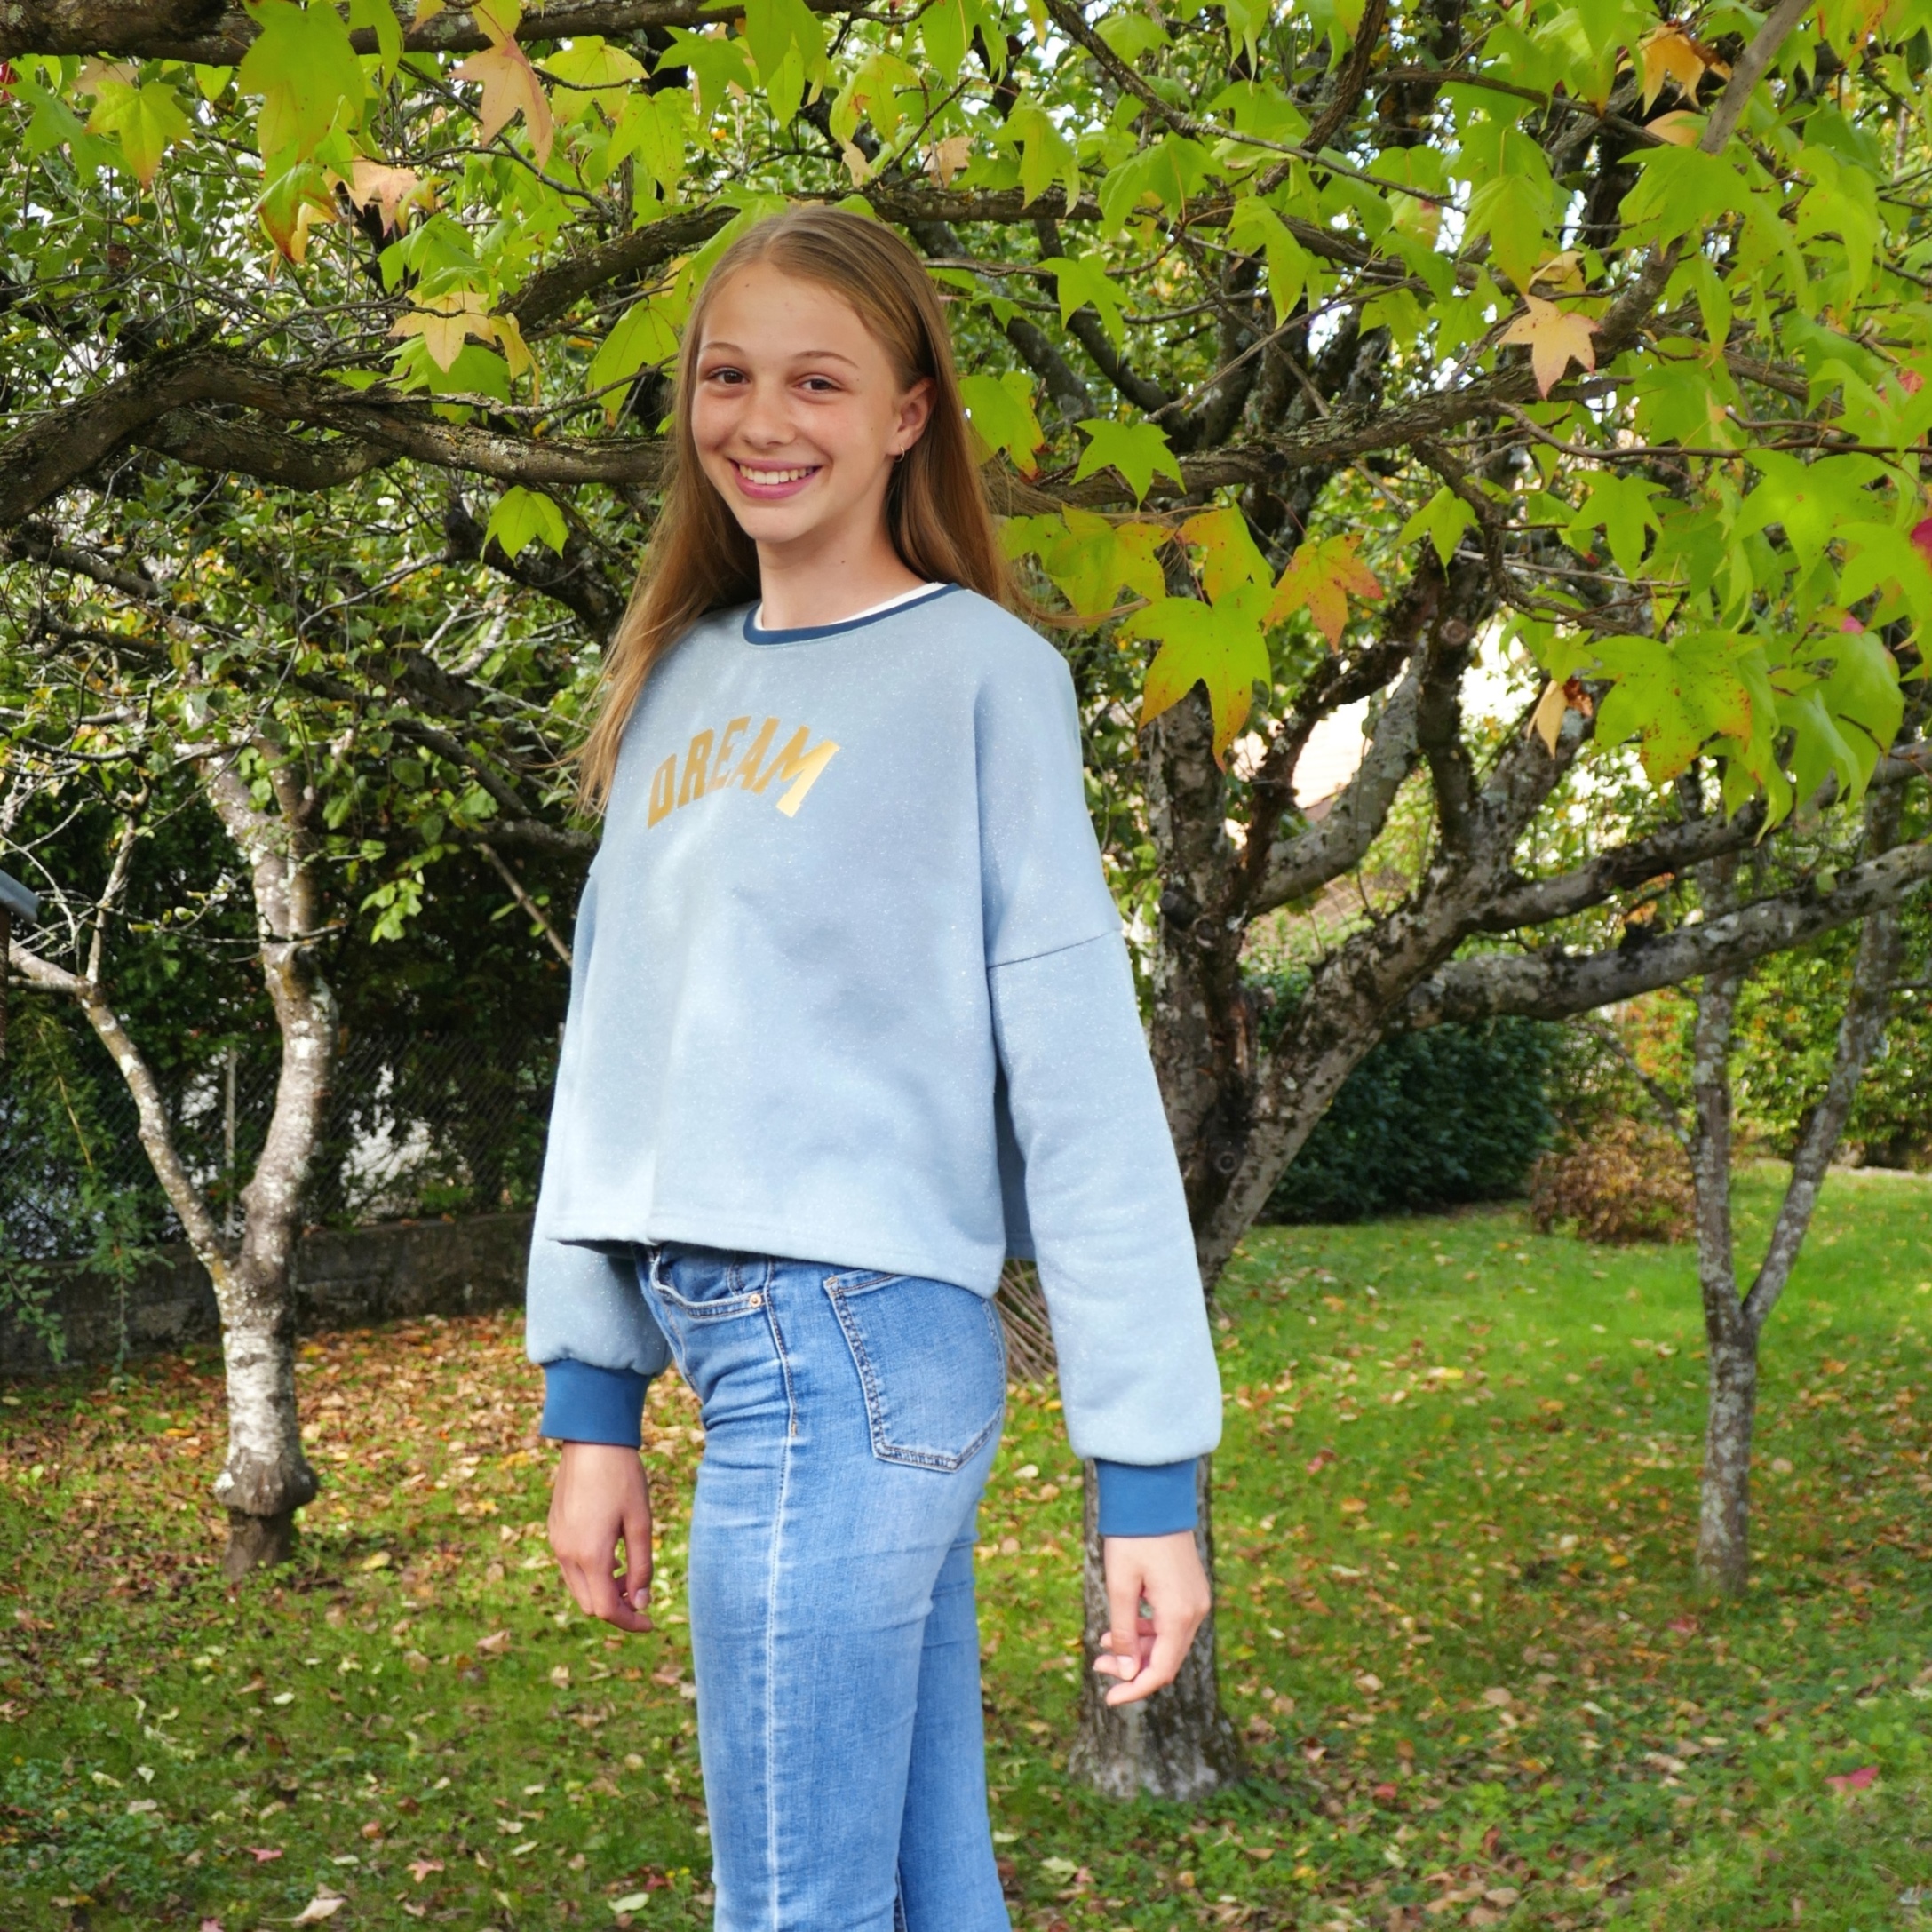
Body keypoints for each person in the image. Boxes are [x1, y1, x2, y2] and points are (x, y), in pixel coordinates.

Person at [526, 205, 1222, 1932]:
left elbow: (1079, 1078)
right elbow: (608, 1057)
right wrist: (591, 1400)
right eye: (727, 376)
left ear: (909, 414)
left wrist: (1147, 1480)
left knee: (795, 1907)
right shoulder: (672, 679)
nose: (763, 420)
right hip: (745, 1351)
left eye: (818, 381)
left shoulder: (981, 674)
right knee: (919, 1896)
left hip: (851, 1350)